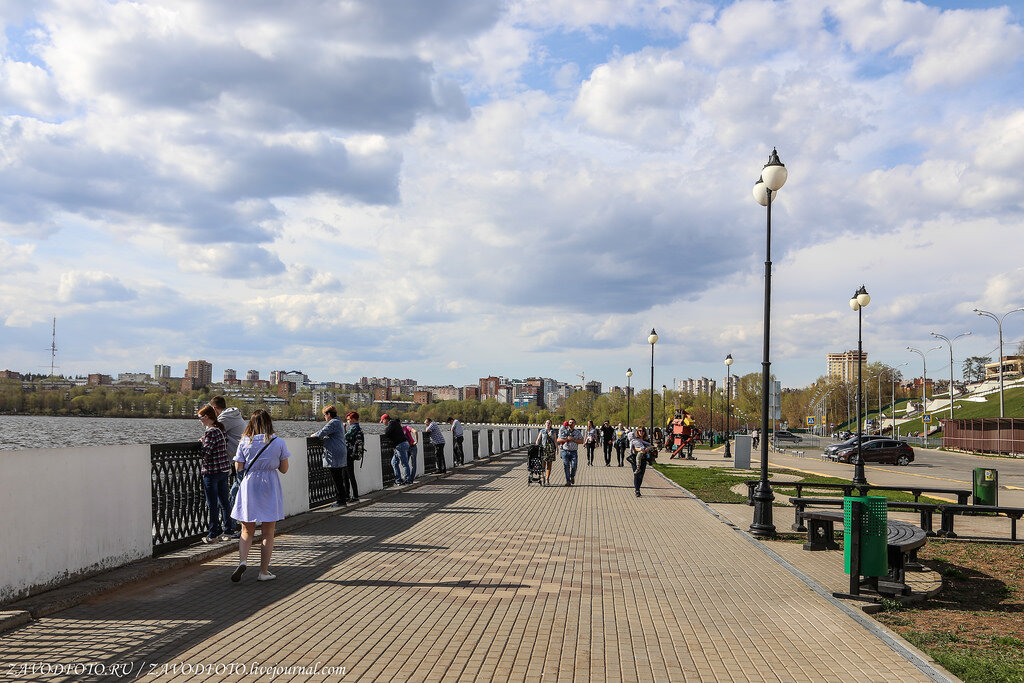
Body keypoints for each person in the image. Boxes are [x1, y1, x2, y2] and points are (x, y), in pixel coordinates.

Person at [230, 410, 289, 583]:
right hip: (269, 485)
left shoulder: (244, 442)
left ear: (251, 423)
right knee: (268, 532)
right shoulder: (278, 442)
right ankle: (263, 571)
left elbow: (239, 467)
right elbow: (284, 469)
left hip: (250, 485)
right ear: (269, 423)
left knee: (246, 529)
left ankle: (242, 561)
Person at [197, 405, 235, 543]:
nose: (200, 421)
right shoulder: (220, 429)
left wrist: (202, 443)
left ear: (206, 417)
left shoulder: (211, 432)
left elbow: (206, 453)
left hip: (212, 471)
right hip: (223, 470)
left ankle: (212, 534)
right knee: (224, 501)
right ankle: (228, 530)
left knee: (212, 503)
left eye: (200, 418)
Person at [312, 405, 348, 507]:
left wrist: (313, 435)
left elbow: (321, 433)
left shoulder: (333, 422)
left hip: (334, 453)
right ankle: (342, 499)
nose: (324, 417)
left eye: (324, 415)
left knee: (337, 478)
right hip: (340, 451)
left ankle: (340, 500)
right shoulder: (339, 421)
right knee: (339, 478)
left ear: (329, 414)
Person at [380, 414, 411, 485]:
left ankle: (407, 480)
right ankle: (398, 480)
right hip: (403, 444)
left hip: (400, 445)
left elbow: (387, 432)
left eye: (382, 421)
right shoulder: (395, 423)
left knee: (404, 463)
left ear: (386, 419)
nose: (382, 423)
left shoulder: (392, 423)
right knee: (394, 462)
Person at [629, 425, 658, 497]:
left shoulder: (646, 440)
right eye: (640, 431)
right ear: (637, 432)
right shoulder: (635, 439)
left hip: (644, 459)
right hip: (635, 458)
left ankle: (638, 488)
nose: (641, 432)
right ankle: (637, 490)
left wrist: (647, 449)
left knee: (641, 475)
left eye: (643, 431)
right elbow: (632, 448)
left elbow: (651, 446)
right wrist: (639, 449)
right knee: (636, 474)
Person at [557, 419, 584, 486]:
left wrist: (573, 439)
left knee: (574, 466)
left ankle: (572, 476)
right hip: (565, 451)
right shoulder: (563, 430)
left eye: (572, 423)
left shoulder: (577, 432)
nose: (571, 424)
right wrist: (567, 439)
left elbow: (582, 441)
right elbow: (558, 440)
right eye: (570, 422)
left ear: (575, 424)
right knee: (566, 466)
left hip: (574, 452)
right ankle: (568, 481)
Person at [343, 411, 363, 502]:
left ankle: (354, 496)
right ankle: (347, 495)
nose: (347, 421)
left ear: (353, 419)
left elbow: (344, 437)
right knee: (346, 475)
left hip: (349, 454)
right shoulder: (357, 428)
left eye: (348, 419)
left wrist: (343, 429)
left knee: (349, 475)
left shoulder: (354, 428)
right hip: (351, 454)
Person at [535, 419, 558, 485]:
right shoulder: (542, 431)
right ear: (545, 424)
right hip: (544, 449)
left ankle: (547, 479)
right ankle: (542, 477)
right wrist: (537, 446)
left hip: (551, 449)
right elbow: (538, 439)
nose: (548, 424)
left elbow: (555, 441)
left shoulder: (553, 432)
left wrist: (557, 449)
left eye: (549, 423)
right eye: (547, 423)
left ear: (551, 424)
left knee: (549, 465)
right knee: (543, 464)